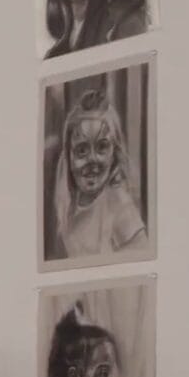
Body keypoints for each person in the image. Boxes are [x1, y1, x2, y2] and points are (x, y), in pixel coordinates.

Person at [47, 84, 145, 260]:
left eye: (102, 147)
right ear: (68, 157)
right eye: (82, 150)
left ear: (114, 154)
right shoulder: (67, 206)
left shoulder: (120, 208)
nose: (92, 160)